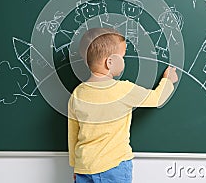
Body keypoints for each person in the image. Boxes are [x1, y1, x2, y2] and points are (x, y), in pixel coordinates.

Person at [68, 28, 178, 183]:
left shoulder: (78, 93)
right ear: (110, 62)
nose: (124, 61)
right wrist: (168, 79)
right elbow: (157, 98)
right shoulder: (123, 90)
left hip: (84, 168)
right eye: (123, 57)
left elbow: (73, 134)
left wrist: (75, 166)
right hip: (114, 167)